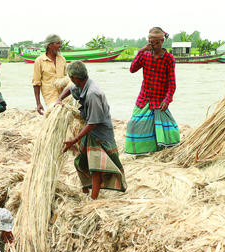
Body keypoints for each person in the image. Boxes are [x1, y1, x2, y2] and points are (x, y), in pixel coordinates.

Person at [55, 61, 127, 200]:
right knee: (81, 162)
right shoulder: (82, 85)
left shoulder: (92, 94)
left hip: (100, 134)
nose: (70, 80)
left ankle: (93, 201)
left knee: (96, 170)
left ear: (75, 78)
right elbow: (70, 89)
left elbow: (93, 123)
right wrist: (59, 99)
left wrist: (74, 140)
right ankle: (86, 193)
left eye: (70, 77)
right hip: (90, 133)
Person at [125, 27, 180, 156]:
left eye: (157, 43)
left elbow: (172, 84)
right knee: (133, 125)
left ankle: (157, 151)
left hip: (159, 101)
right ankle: (140, 151)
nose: (154, 46)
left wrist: (167, 100)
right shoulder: (144, 56)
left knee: (164, 131)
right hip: (144, 99)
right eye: (151, 43)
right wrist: (140, 51)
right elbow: (132, 69)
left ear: (162, 41)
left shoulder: (169, 59)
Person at [32, 34, 67, 114]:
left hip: (63, 98)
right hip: (50, 98)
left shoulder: (62, 60)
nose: (60, 45)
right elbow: (36, 83)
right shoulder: (39, 61)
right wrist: (38, 103)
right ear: (50, 45)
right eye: (58, 43)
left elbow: (66, 79)